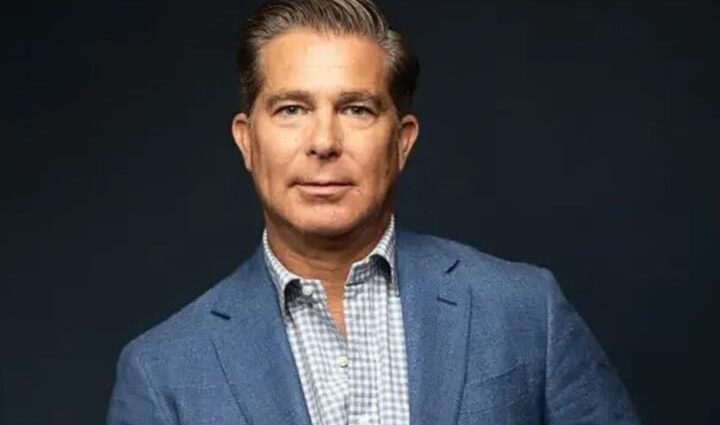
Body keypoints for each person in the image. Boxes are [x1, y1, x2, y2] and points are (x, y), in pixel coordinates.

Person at [106, 0, 641, 424]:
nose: (323, 141)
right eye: (291, 109)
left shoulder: (525, 311)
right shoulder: (162, 372)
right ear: (247, 141)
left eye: (356, 109)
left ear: (401, 141)